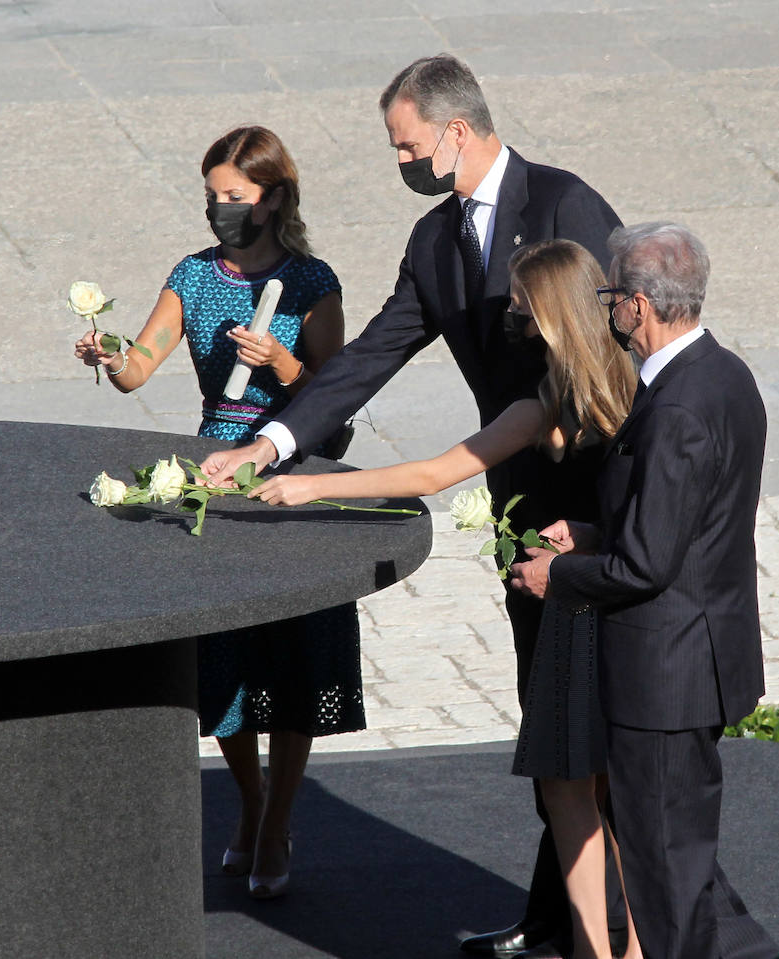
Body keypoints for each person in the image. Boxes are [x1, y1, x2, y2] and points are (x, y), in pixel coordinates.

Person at [200, 55, 623, 955]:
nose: (402, 163)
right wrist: (272, 442)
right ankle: (559, 922)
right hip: (518, 507)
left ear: (456, 133)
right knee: (547, 722)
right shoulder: (435, 243)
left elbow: (614, 350)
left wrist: (612, 504)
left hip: (598, 509)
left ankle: (618, 928)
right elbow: (368, 357)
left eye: (407, 146)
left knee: (602, 736)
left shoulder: (564, 205)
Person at [250, 239, 642, 959]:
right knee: (609, 793)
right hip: (610, 614)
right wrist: (312, 482)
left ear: (553, 319)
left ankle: (601, 947)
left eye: (524, 314)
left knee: (573, 789)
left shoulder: (550, 405)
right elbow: (435, 474)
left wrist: (311, 484)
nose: (516, 328)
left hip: (581, 615)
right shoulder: (627, 395)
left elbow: (433, 473)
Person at [72, 125, 362, 901]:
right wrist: (109, 353)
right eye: (211, 196)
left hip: (294, 466)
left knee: (297, 646)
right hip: (214, 467)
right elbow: (140, 368)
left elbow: (335, 398)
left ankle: (279, 817)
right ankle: (251, 796)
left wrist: (286, 364)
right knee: (223, 646)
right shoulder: (195, 276)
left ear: (271, 199)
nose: (219, 210)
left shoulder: (312, 283)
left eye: (234, 197)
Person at [510, 222, 779, 959]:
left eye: (610, 299)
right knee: (679, 870)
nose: (606, 313)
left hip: (664, 677)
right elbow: (689, 525)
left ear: (635, 305)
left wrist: (555, 574)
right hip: (697, 660)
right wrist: (596, 530)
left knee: (664, 885)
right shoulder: (725, 375)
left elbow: (645, 569)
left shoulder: (674, 409)